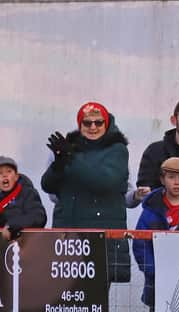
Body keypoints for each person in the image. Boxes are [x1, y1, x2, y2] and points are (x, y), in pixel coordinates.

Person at [41, 101, 131, 283]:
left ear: (106, 124)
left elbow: (103, 181)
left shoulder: (118, 150)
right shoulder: (69, 148)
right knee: (65, 304)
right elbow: (47, 186)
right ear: (79, 125)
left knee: (95, 305)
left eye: (98, 122)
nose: (93, 127)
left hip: (101, 241)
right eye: (87, 123)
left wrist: (71, 159)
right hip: (68, 239)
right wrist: (58, 165)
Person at [132, 157, 179, 312]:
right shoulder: (152, 209)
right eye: (172, 177)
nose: (176, 182)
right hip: (158, 282)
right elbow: (140, 244)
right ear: (162, 178)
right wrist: (154, 272)